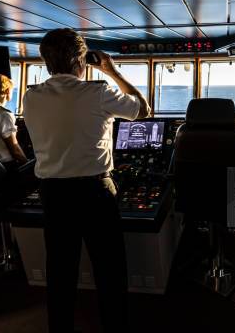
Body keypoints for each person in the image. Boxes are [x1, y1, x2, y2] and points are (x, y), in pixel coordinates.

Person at [22, 28, 150, 333]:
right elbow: (144, 110)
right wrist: (113, 72)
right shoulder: (99, 92)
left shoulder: (31, 96)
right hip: (95, 192)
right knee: (109, 271)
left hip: (53, 193)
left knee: (60, 272)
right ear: (82, 60)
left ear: (45, 60)